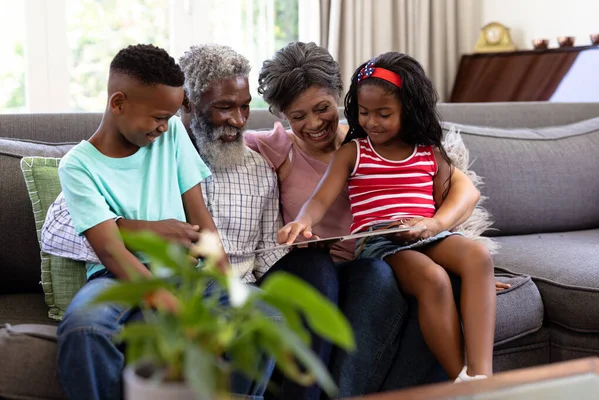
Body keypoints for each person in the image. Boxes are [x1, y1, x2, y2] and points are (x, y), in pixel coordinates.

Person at [43, 44, 338, 400]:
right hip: (117, 277)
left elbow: (203, 225)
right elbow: (111, 251)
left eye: (168, 118)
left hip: (190, 275)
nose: (163, 127)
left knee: (266, 317)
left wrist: (230, 292)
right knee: (83, 329)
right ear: (118, 104)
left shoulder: (172, 136)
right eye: (157, 118)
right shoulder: (78, 166)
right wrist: (175, 308)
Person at [246, 42, 507, 395]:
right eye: (297, 116)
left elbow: (464, 192)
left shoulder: (402, 145)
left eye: (322, 108)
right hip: (359, 261)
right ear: (281, 115)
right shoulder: (306, 149)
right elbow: (316, 200)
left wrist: (456, 256)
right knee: (387, 275)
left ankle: (476, 381)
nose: (313, 124)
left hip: (416, 242)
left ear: (338, 96)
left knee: (465, 266)